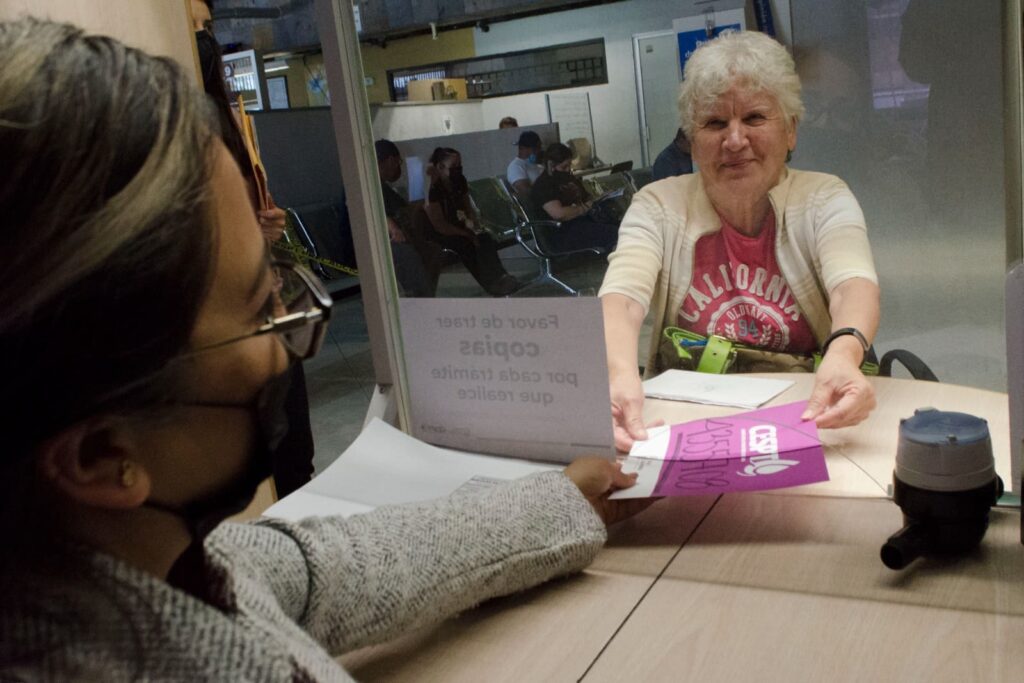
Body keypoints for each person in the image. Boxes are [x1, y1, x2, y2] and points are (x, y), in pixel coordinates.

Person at [0, 18, 653, 679]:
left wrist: (561, 499)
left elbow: (328, 569)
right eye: (262, 310)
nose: (291, 338)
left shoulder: (140, 562)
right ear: (101, 454)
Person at [599, 31, 880, 452]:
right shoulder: (657, 204)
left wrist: (844, 355)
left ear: (790, 132)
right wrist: (619, 372)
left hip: (807, 415)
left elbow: (851, 284)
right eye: (714, 123)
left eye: (754, 118)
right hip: (685, 417)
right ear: (692, 142)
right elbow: (622, 297)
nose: (734, 140)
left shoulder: (825, 197)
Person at [191, 0, 314, 497]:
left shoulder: (234, 125)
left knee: (295, 448)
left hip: (271, 298)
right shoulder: (182, 131)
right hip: (229, 314)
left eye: (207, 25)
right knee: (260, 455)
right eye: (195, 25)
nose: (204, 37)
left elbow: (259, 216)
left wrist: (269, 225)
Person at [418, 147, 520, 296]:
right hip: (439, 234)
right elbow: (439, 225)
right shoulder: (433, 189)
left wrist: (474, 226)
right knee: (466, 244)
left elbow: (467, 207)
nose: (458, 169)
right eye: (454, 166)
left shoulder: (459, 181)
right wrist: (466, 234)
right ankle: (490, 284)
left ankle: (501, 276)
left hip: (457, 226)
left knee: (484, 238)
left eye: (459, 165)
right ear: (440, 167)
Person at [531, 142, 620, 253]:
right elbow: (559, 214)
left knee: (623, 226)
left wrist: (601, 198)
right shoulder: (544, 185)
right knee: (613, 233)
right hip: (562, 232)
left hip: (579, 224)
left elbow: (586, 198)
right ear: (551, 165)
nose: (568, 170)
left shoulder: (567, 178)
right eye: (564, 167)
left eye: (569, 166)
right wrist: (583, 208)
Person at [375, 139, 436, 297]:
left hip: (398, 235)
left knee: (432, 249)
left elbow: (401, 208)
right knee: (411, 253)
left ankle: (425, 295)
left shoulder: (381, 185)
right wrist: (394, 228)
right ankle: (421, 297)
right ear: (390, 160)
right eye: (398, 162)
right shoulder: (370, 185)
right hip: (385, 241)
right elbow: (376, 211)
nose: (398, 167)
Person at [507, 130, 544, 197]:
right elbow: (525, 191)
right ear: (523, 148)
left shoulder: (537, 164)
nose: (538, 151)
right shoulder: (516, 166)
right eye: (535, 149)